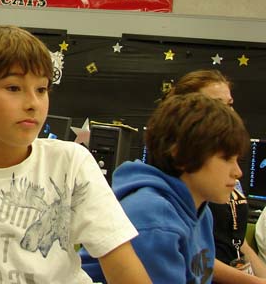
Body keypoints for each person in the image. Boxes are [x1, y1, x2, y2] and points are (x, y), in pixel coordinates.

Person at [0, 25, 151, 283]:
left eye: (41, 90)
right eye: (13, 88)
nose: (33, 104)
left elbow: (122, 264)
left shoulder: (71, 162)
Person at [81, 92, 250, 284]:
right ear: (183, 155)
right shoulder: (153, 218)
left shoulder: (201, 212)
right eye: (226, 159)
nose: (238, 172)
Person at [167, 70, 266, 283]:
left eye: (229, 104)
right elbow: (191, 255)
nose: (237, 172)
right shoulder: (180, 181)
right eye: (216, 104)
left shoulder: (225, 172)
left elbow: (237, 241)